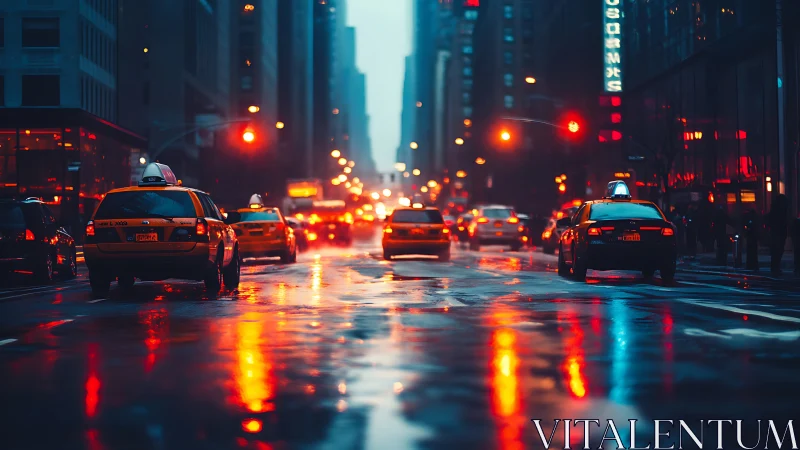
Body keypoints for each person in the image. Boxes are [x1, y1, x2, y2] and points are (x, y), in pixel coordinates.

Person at [766, 194, 789, 274]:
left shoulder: (775, 210)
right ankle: (775, 268)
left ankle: (775, 268)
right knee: (778, 251)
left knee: (776, 251)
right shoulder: (782, 211)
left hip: (776, 233)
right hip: (779, 233)